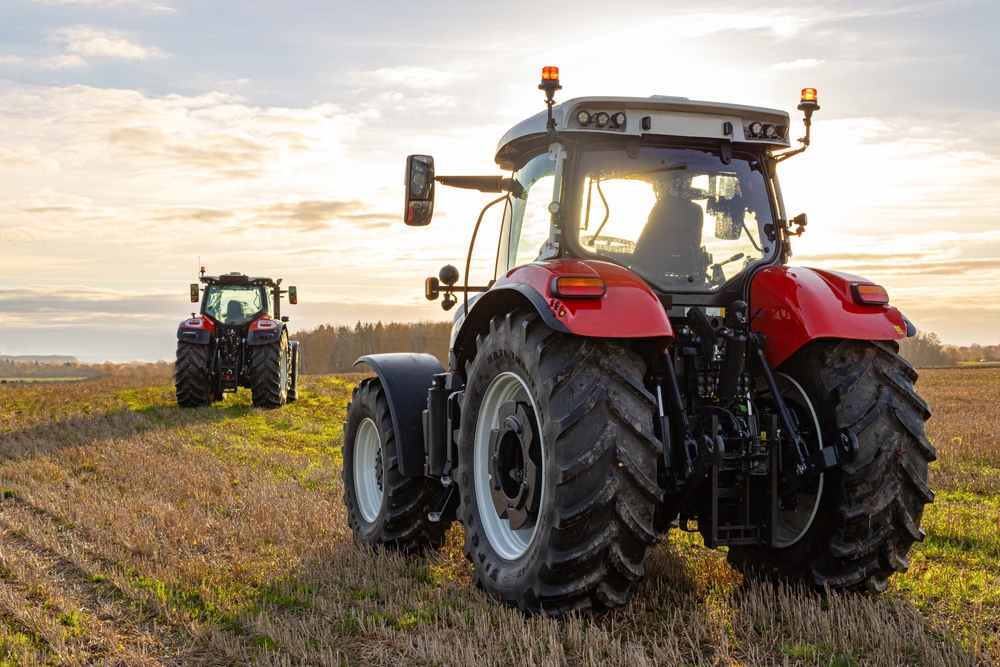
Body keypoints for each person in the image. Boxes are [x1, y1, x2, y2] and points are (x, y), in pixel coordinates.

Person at [631, 179, 710, 284]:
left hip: (647, 279)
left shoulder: (661, 210)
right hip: (689, 282)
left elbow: (638, 257)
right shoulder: (695, 212)